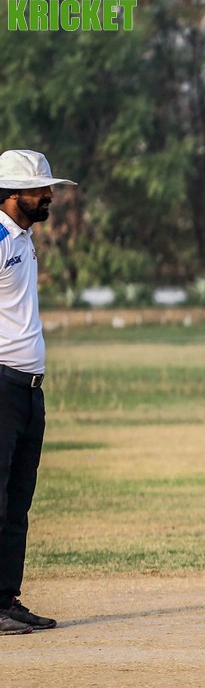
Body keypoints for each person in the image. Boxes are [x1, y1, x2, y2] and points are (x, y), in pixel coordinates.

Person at [0, 149, 74, 635]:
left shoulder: (23, 239)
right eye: (40, 188)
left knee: (17, 502)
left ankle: (6, 600)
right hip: (2, 383)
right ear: (12, 193)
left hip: (29, 389)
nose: (49, 195)